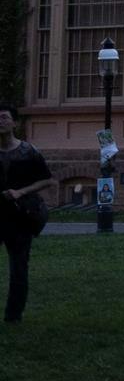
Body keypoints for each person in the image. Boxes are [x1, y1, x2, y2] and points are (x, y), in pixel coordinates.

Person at [1, 106, 56, 324]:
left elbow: (47, 179)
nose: (0, 122)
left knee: (19, 267)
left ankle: (13, 316)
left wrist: (20, 192)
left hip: (19, 216)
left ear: (14, 123)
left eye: (4, 118)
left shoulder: (28, 151)